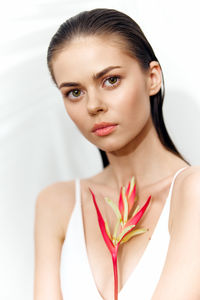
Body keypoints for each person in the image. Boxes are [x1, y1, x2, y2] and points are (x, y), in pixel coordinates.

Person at [34, 8, 200, 300]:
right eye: (74, 92)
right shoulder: (57, 203)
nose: (93, 105)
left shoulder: (192, 192)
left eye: (110, 80)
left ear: (152, 78)